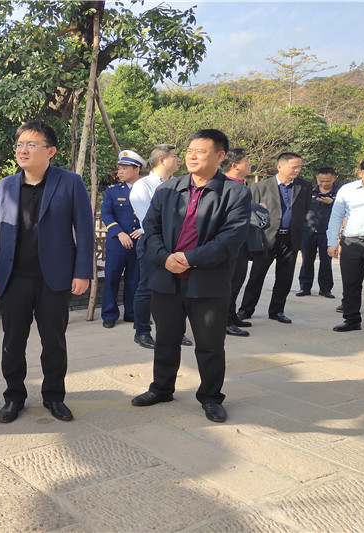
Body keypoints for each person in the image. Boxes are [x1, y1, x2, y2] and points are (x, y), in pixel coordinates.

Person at [131, 129, 251, 423]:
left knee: (210, 345)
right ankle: (161, 388)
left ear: (220, 156)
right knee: (165, 339)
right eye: (189, 151)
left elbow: (230, 239)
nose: (192, 156)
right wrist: (165, 258)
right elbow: (150, 231)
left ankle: (210, 397)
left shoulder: (235, 193)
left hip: (208, 282)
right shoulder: (168, 190)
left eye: (201, 151)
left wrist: (189, 259)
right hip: (167, 278)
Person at [0, 120, 94, 424]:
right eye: (20, 144)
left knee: (54, 342)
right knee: (12, 342)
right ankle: (14, 397)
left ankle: (54, 396)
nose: (23, 150)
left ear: (51, 151)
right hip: (14, 278)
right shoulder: (4, 186)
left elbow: (85, 231)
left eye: (32, 144)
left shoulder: (70, 182)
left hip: (53, 279)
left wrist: (83, 272)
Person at [129, 144, 192, 349]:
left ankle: (176, 330)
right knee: (147, 288)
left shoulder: (181, 184)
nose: (179, 159)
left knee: (178, 289)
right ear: (162, 160)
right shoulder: (143, 185)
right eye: (175, 156)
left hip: (178, 243)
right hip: (153, 242)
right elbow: (149, 219)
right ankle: (142, 331)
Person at [238, 152, 311, 324]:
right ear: (280, 167)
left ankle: (277, 311)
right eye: (293, 167)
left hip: (290, 238)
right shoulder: (261, 186)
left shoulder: (304, 186)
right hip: (266, 238)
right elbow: (252, 213)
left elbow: (305, 210)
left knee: (285, 278)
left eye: (299, 167)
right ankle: (246, 309)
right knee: (257, 276)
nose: (297, 170)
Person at [220, 148, 270, 337]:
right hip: (230, 241)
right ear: (235, 165)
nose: (250, 164)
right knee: (231, 281)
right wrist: (255, 208)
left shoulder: (240, 184)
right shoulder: (225, 185)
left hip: (241, 240)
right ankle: (225, 321)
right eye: (246, 161)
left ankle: (232, 315)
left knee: (238, 278)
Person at [327, 156, 364, 336]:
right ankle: (351, 319)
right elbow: (336, 216)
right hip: (351, 242)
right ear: (360, 172)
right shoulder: (347, 190)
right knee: (351, 283)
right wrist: (332, 242)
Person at [99, 150, 143, 328]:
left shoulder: (147, 190)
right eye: (120, 168)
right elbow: (106, 214)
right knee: (112, 278)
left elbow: (153, 212)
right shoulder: (113, 190)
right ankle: (109, 315)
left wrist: (143, 229)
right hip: (117, 243)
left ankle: (132, 313)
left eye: (124, 168)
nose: (120, 172)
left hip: (139, 241)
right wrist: (119, 233)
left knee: (135, 279)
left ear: (137, 169)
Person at [296, 167, 339, 298]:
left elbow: (345, 210)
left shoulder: (339, 193)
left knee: (326, 262)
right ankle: (304, 287)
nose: (324, 183)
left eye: (327, 181)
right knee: (306, 260)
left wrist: (332, 203)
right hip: (308, 231)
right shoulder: (309, 191)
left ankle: (325, 289)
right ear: (317, 178)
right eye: (321, 181)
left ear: (334, 178)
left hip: (327, 232)